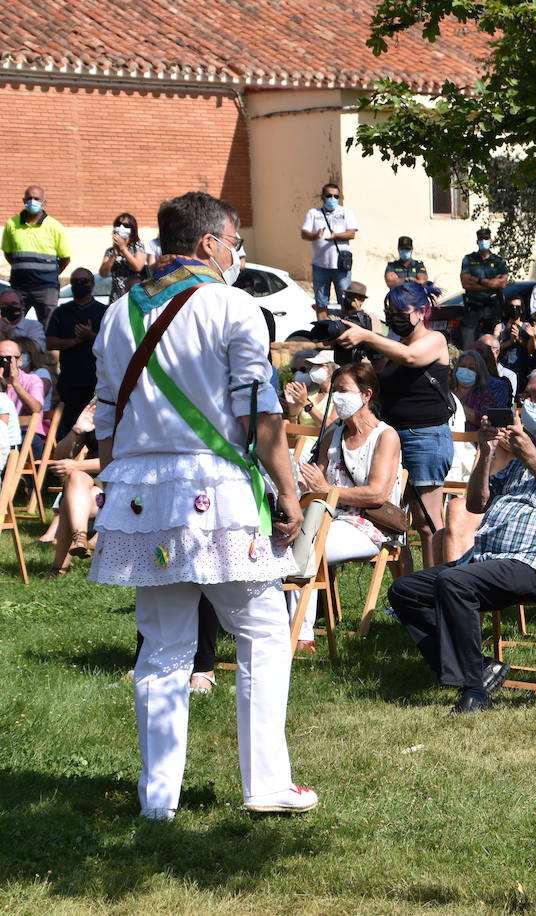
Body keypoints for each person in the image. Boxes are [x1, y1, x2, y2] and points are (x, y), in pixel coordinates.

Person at [90, 190, 312, 819]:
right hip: (216, 492)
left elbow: (107, 415)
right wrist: (288, 492)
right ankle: (266, 784)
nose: (237, 254)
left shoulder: (116, 315)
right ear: (210, 242)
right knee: (264, 631)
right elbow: (261, 412)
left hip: (140, 494)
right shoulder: (232, 305)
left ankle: (157, 799)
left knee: (162, 647)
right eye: (235, 242)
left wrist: (125, 479)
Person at [389, 363, 536, 713]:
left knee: (454, 583)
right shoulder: (526, 446)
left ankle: (474, 691)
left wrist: (529, 455)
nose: (525, 406)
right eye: (524, 397)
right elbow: (477, 503)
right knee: (406, 591)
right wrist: (486, 454)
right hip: (489, 558)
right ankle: (477, 667)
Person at [336, 281, 452, 569]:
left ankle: (438, 590)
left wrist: (368, 335)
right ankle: (409, 594)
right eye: (389, 311)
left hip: (425, 437)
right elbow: (377, 377)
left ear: (421, 311)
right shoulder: (392, 349)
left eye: (400, 310)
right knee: (391, 518)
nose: (394, 316)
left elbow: (411, 357)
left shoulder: (435, 340)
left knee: (427, 522)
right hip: (391, 437)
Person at [292, 363, 404, 651]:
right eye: (335, 390)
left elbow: (377, 494)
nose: (336, 397)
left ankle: (300, 634)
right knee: (289, 537)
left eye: (343, 391)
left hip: (370, 525)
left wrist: (328, 491)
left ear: (366, 395)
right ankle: (282, 625)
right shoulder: (333, 434)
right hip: (326, 517)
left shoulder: (386, 436)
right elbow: (315, 482)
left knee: (308, 547)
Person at [46, 274, 107, 439]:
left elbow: (110, 343)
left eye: (84, 281)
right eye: (75, 281)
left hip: (96, 381)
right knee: (71, 426)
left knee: (96, 428)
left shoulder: (104, 311)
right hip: (70, 380)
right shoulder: (61, 312)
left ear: (92, 285)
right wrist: (74, 341)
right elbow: (50, 342)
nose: (79, 284)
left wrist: (90, 335)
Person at [43, 403, 100, 577]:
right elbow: (59, 456)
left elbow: (119, 459)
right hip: (91, 483)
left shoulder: (131, 411)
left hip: (122, 482)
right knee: (74, 479)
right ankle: (80, 538)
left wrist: (78, 464)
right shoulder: (95, 409)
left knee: (71, 494)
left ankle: (58, 567)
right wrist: (77, 430)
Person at [2, 185, 70, 323]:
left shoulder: (55, 226)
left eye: (36, 198)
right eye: (29, 198)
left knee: (48, 328)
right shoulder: (11, 224)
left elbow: (65, 258)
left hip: (46, 288)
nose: (32, 201)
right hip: (19, 287)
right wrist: (23, 268)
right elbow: (8, 253)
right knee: (12, 325)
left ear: (44, 202)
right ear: (23, 200)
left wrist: (50, 274)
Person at [300, 182, 358, 317]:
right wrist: (315, 235)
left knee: (346, 301)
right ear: (322, 197)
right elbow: (304, 233)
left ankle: (348, 330)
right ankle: (324, 330)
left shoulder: (346, 212)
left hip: (341, 265)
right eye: (329, 196)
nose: (332, 199)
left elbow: (352, 233)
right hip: (320, 265)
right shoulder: (314, 213)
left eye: (336, 196)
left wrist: (335, 236)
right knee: (321, 302)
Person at [459, 228, 509, 348]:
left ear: (491, 240)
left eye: (486, 238)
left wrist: (478, 280)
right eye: (481, 239)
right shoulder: (469, 259)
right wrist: (491, 283)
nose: (484, 241)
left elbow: (502, 283)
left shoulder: (498, 261)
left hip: (492, 307)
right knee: (469, 345)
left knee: (493, 345)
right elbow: (465, 283)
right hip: (473, 307)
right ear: (477, 241)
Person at [0, 337, 47, 453]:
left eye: (9, 358)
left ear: (19, 360)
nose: (5, 362)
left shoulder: (32, 380)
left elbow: (36, 409)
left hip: (27, 433)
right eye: (1, 358)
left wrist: (16, 384)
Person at [452, 348, 513, 429]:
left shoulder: (485, 396)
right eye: (463, 366)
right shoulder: (448, 392)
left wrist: (456, 405)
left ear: (478, 372)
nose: (466, 370)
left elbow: (485, 420)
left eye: (471, 368)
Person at [99, 212, 148, 303]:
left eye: (125, 225)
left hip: (134, 298)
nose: (121, 227)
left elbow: (138, 267)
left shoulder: (138, 247)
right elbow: (103, 273)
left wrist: (123, 249)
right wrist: (114, 254)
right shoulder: (110, 251)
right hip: (116, 298)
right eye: (118, 224)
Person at [282, 350, 334, 427]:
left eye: (319, 365)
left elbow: (331, 427)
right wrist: (292, 409)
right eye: (313, 366)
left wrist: (306, 404)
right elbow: (295, 432)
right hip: (303, 438)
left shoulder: (339, 396)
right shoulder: (309, 395)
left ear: (333, 368)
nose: (314, 369)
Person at [332, 281, 375, 366]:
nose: (348, 300)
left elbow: (370, 342)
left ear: (361, 300)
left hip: (359, 362)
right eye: (347, 297)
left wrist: (358, 313)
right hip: (340, 358)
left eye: (352, 298)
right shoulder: (337, 316)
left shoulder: (368, 318)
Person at [0, 285, 46, 349]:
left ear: (22, 306)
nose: (9, 307)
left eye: (14, 304)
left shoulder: (33, 326)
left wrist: (7, 335)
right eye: (5, 304)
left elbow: (35, 349)